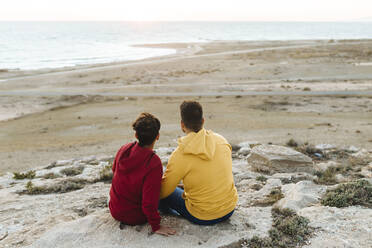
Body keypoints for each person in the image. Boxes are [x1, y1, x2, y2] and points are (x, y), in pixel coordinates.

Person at [159, 101, 238, 225]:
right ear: (203, 121)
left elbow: (163, 192)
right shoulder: (221, 140)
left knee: (163, 194)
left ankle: (169, 216)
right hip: (229, 209)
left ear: (182, 125)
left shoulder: (180, 154)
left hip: (203, 216)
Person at [109, 113, 176, 236]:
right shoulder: (153, 162)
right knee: (169, 192)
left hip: (114, 209)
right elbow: (149, 203)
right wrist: (156, 226)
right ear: (157, 136)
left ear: (136, 135)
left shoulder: (124, 148)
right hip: (135, 217)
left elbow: (114, 171)